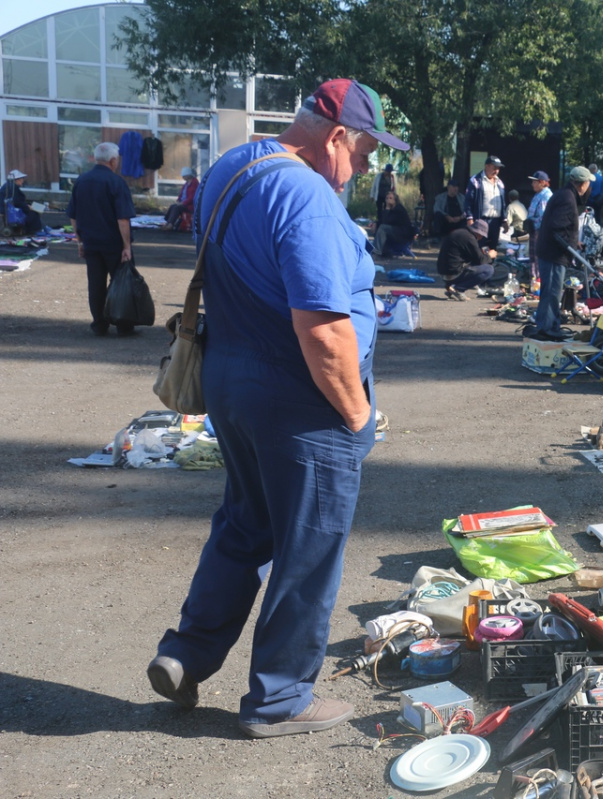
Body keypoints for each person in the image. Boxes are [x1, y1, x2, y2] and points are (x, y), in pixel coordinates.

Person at [147, 78, 407, 739]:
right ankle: (281, 698)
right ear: (338, 136)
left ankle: (187, 652)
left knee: (245, 523)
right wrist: (356, 414)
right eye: (368, 152)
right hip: (300, 406)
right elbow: (322, 329)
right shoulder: (309, 197)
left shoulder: (238, 164)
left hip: (233, 386)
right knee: (310, 549)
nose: (368, 168)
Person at [67, 143, 135, 337]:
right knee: (122, 282)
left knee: (95, 284)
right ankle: (124, 325)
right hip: (113, 243)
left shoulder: (81, 181)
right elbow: (122, 218)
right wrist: (127, 246)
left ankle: (99, 324)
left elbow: (73, 215)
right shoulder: (116, 182)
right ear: (113, 160)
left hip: (91, 243)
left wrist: (80, 241)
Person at [531, 165, 592, 341]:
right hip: (553, 253)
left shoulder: (565, 194)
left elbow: (561, 227)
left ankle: (551, 325)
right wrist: (570, 245)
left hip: (552, 251)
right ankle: (547, 328)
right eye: (588, 183)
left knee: (552, 292)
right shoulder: (567, 198)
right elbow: (558, 229)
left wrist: (575, 242)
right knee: (551, 292)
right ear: (582, 184)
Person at [437, 219, 495, 300]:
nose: (481, 238)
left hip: (445, 274)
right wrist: (489, 256)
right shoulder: (469, 238)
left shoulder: (461, 233)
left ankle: (451, 287)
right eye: (481, 235)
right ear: (479, 232)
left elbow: (470, 257)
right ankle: (458, 289)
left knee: (475, 265)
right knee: (488, 269)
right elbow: (480, 260)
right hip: (453, 274)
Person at [464, 154, 505, 249]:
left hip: (495, 221)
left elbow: (502, 203)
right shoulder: (475, 180)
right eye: (494, 168)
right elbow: (468, 201)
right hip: (481, 220)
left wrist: (504, 219)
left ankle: (490, 264)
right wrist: (469, 218)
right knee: (478, 247)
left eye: (498, 168)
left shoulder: (500, 183)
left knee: (492, 248)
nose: (496, 171)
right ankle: (478, 264)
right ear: (487, 166)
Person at [374, 190, 416, 258]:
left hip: (402, 233)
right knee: (380, 228)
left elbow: (388, 221)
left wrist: (387, 209)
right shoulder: (388, 209)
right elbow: (381, 221)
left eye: (390, 198)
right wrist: (375, 224)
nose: (388, 200)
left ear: (395, 200)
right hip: (394, 231)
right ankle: (384, 252)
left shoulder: (398, 209)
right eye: (387, 198)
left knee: (383, 228)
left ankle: (376, 252)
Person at [526, 170, 553, 278]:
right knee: (533, 257)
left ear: (542, 182)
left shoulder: (545, 196)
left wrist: (533, 223)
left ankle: (539, 280)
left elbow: (543, 217)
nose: (532, 184)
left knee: (538, 257)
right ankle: (535, 279)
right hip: (534, 230)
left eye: (534, 182)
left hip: (540, 231)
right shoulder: (538, 194)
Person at [3, 169, 44, 233]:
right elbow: (16, 202)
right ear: (17, 180)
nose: (23, 181)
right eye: (22, 179)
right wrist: (27, 207)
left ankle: (39, 228)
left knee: (37, 209)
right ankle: (32, 230)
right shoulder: (13, 188)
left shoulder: (9, 186)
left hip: (9, 207)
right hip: (10, 209)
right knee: (34, 212)